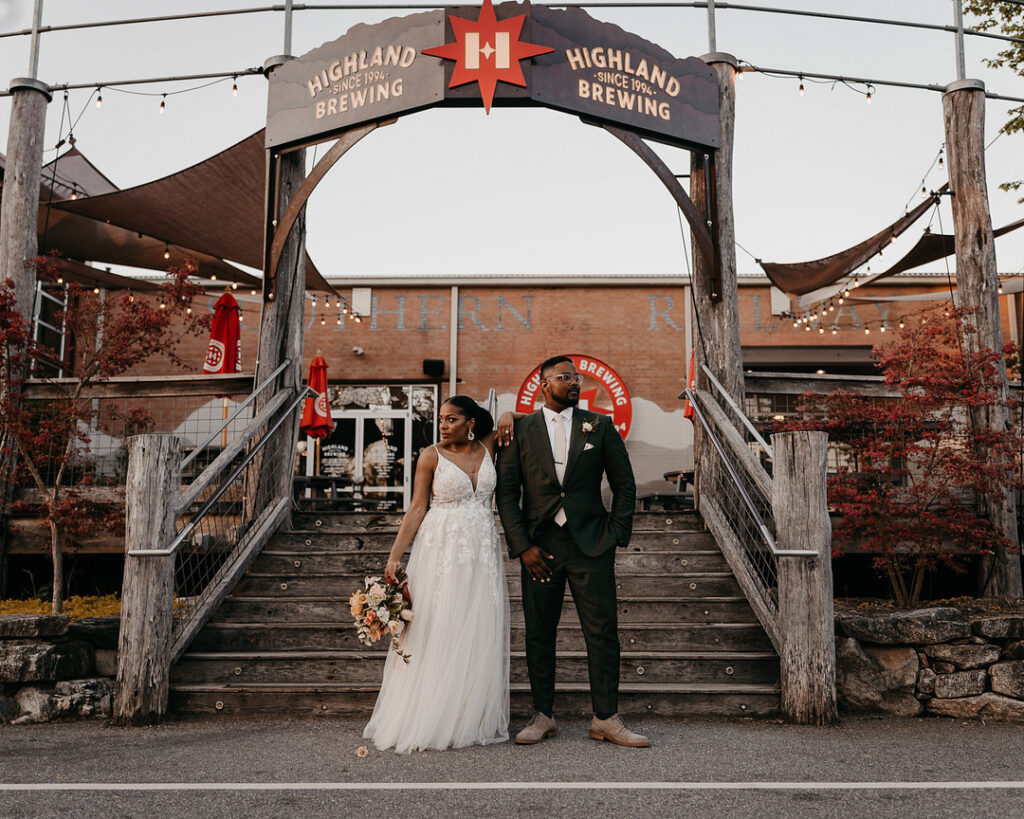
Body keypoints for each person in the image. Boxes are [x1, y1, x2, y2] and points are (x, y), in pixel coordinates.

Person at [495, 355, 648, 747]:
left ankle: (606, 718)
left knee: (602, 632)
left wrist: (615, 534)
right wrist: (522, 546)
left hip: (591, 544)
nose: (574, 382)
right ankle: (543, 715)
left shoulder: (601, 425)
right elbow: (508, 492)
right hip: (539, 547)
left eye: (576, 377)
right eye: (564, 377)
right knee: (539, 633)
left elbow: (625, 486)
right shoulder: (521, 429)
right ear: (544, 384)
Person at [362, 395, 510, 753]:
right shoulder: (430, 455)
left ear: (470, 422)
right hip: (440, 548)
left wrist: (506, 413)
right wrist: (395, 556)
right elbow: (417, 507)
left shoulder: (489, 446)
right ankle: (429, 713)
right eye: (441, 419)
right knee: (438, 624)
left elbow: (519, 417)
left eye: (451, 419)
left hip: (482, 552)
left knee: (476, 627)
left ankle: (466, 714)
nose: (442, 425)